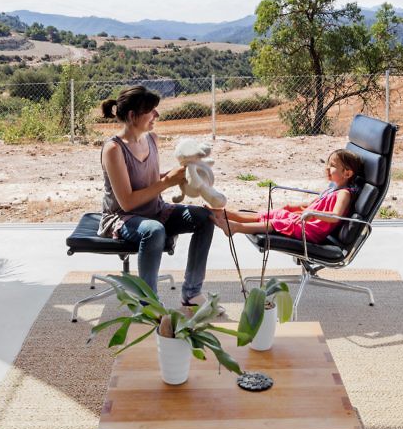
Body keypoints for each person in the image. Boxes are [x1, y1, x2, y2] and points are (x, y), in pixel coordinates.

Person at [99, 85, 215, 307]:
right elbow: (127, 202)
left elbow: (149, 180)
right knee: (154, 230)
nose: (157, 114)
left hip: (155, 209)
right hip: (123, 217)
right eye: (151, 110)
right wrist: (167, 181)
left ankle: (191, 293)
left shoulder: (152, 138)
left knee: (205, 218)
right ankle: (150, 305)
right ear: (132, 116)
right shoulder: (113, 149)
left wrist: (180, 176)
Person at [210, 148, 364, 243]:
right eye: (328, 164)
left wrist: (312, 214)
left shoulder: (344, 194)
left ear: (347, 173)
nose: (327, 168)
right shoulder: (332, 189)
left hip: (312, 231)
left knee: (278, 223)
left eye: (332, 166)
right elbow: (314, 203)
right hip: (305, 221)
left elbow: (335, 216)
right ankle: (225, 214)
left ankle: (236, 227)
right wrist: (293, 207)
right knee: (277, 214)